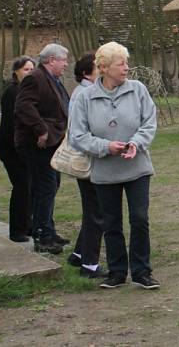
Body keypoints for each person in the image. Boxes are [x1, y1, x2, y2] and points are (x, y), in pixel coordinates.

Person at [68, 42, 159, 290]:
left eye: (126, 62)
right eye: (122, 64)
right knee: (111, 222)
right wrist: (105, 147)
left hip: (137, 167)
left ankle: (142, 271)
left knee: (139, 218)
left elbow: (149, 123)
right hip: (104, 171)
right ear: (104, 67)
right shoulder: (85, 97)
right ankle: (117, 272)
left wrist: (135, 143)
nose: (127, 68)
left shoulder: (138, 90)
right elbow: (76, 135)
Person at [14, 43, 70, 254]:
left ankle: (49, 230)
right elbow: (23, 106)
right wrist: (41, 130)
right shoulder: (35, 78)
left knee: (51, 185)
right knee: (44, 187)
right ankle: (42, 235)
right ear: (51, 60)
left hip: (51, 142)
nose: (65, 64)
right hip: (36, 144)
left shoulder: (52, 79)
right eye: (63, 59)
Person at [66, 52, 107, 279]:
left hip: (87, 158)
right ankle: (90, 265)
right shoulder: (85, 95)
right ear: (86, 73)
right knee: (96, 211)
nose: (100, 70)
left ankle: (80, 254)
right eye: (96, 67)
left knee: (92, 209)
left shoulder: (81, 92)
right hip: (89, 160)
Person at [0, 55, 36, 242]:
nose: (29, 73)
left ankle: (28, 225)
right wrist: (20, 148)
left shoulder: (27, 92)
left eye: (31, 69)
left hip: (26, 148)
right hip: (13, 149)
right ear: (16, 72)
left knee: (29, 187)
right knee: (21, 187)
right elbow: (10, 125)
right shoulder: (12, 93)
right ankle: (17, 231)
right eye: (26, 69)